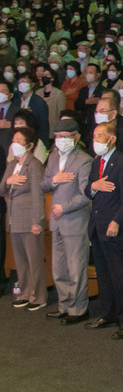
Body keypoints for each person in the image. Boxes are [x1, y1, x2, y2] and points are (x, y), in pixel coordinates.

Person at [84, 121, 123, 339]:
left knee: (119, 274)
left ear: (112, 138)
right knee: (104, 275)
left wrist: (116, 221)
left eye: (99, 136)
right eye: (94, 136)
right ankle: (108, 314)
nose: (95, 140)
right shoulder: (96, 163)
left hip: (114, 228)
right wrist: (93, 187)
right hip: (97, 227)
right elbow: (88, 191)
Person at [41, 118, 93, 323]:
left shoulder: (84, 160)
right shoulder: (53, 157)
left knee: (76, 267)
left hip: (74, 219)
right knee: (59, 267)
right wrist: (54, 180)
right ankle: (64, 305)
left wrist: (65, 206)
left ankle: (78, 309)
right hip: (56, 221)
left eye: (66, 137)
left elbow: (85, 194)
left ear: (76, 137)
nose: (61, 140)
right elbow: (43, 184)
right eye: (58, 137)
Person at [0, 126, 47, 310]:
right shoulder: (12, 165)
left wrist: (38, 221)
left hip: (29, 219)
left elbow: (38, 195)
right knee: (20, 260)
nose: (15, 144)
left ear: (29, 145)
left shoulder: (34, 165)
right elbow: (1, 189)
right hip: (14, 218)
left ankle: (39, 296)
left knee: (34, 260)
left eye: (19, 141)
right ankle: (25, 292)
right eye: (14, 140)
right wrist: (8, 181)